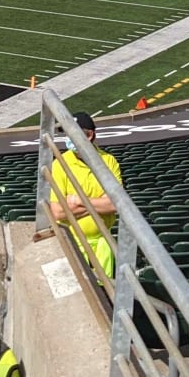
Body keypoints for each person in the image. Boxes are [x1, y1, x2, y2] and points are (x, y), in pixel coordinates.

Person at [49, 113, 121, 277]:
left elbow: (114, 204)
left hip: (103, 243)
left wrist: (78, 201)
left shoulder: (109, 161)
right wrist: (97, 204)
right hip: (72, 243)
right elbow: (57, 212)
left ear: (89, 135)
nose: (68, 138)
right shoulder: (59, 163)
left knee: (105, 291)